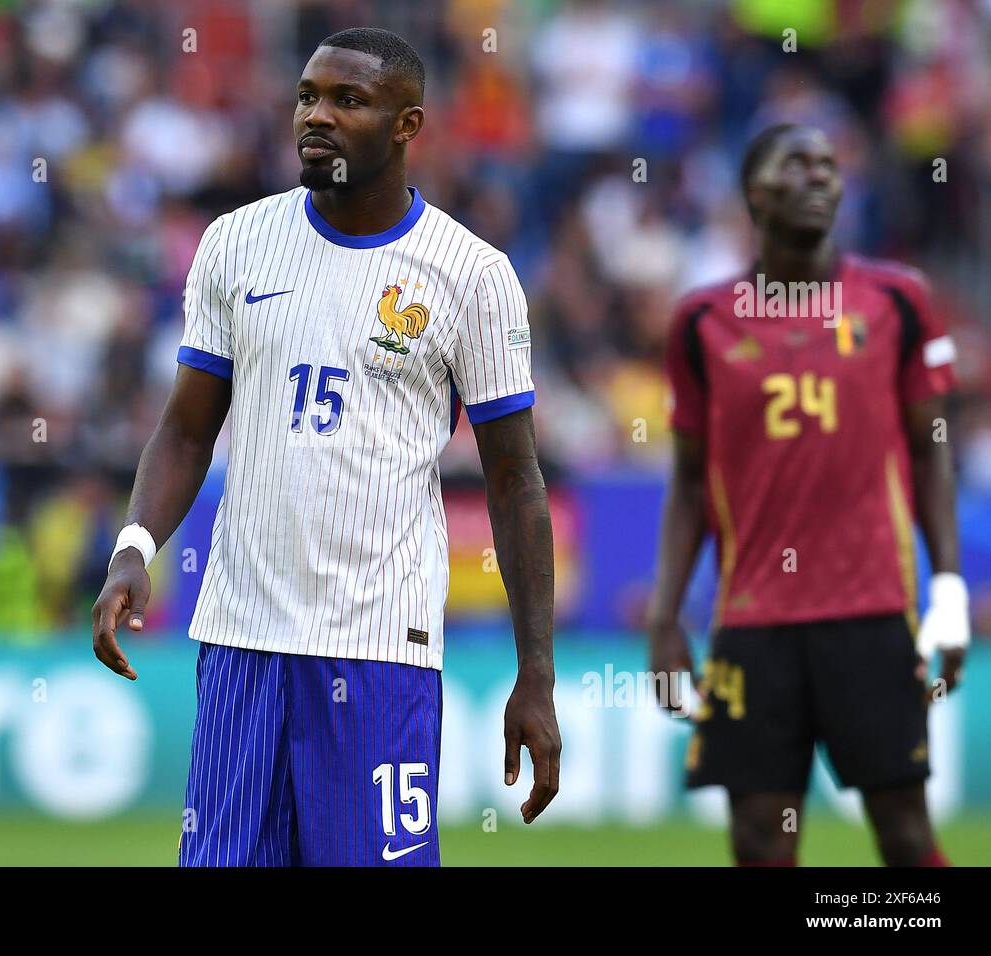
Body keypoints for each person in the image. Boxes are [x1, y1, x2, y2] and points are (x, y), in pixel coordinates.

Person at [92, 27, 561, 866]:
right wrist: (136, 545)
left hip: (381, 653)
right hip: (242, 644)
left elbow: (517, 484)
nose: (318, 116)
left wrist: (537, 674)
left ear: (408, 123)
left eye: (349, 100)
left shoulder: (472, 275)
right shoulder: (235, 244)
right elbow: (187, 427)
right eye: (309, 96)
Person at [647, 123, 966, 866]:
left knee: (905, 833)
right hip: (753, 620)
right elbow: (690, 478)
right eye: (799, 164)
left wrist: (948, 593)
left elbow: (931, 454)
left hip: (872, 612)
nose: (821, 177)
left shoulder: (899, 301)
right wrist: (666, 618)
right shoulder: (701, 322)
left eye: (830, 165)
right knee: (760, 841)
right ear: (755, 191)